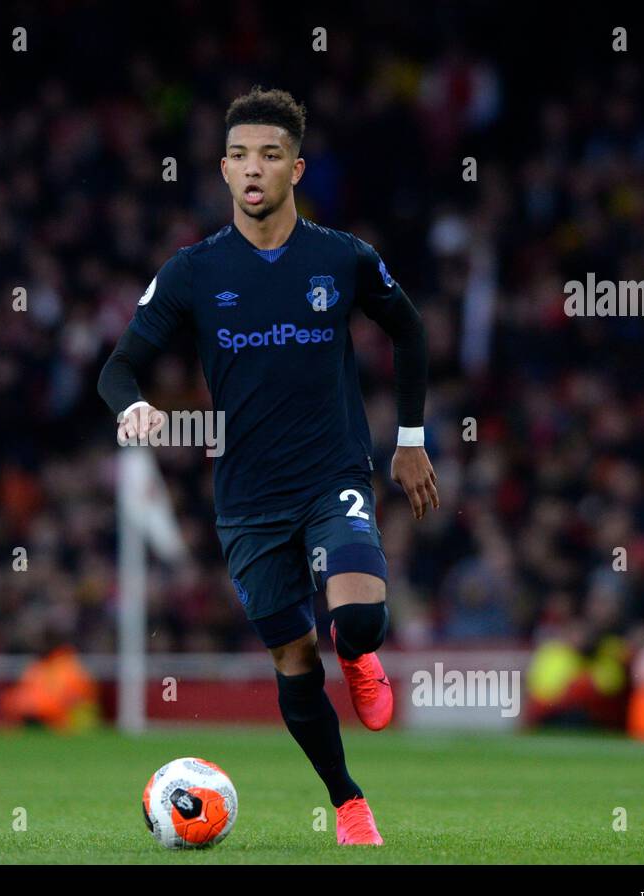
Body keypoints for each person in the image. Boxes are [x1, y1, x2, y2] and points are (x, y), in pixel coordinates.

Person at [97, 87, 438, 845]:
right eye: (243, 156)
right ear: (224, 169)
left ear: (296, 168)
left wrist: (410, 437)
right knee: (292, 655)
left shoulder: (342, 258)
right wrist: (131, 407)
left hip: (332, 475)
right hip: (248, 500)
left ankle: (360, 653)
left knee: (357, 619)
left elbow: (408, 330)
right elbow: (119, 367)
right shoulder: (193, 272)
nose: (256, 169)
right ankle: (348, 801)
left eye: (272, 155)